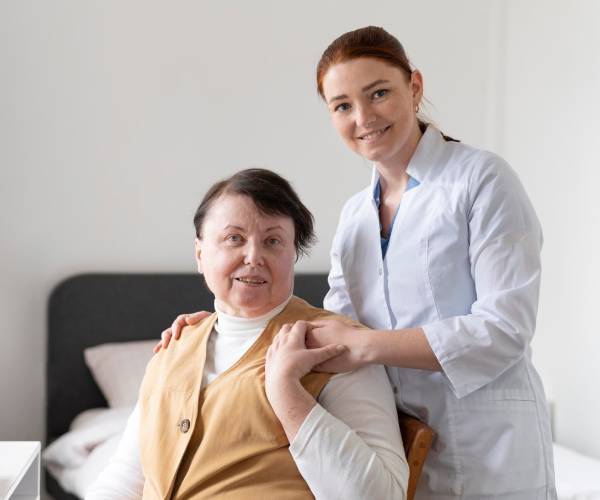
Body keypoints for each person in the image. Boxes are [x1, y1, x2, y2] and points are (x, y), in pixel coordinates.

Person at [159, 27, 557, 499]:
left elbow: (505, 330)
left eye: (379, 93)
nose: (363, 117)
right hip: (396, 445)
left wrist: (368, 347)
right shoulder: (354, 218)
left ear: (414, 87)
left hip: (490, 446)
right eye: (342, 105)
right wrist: (226, 330)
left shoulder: (480, 180)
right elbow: (328, 329)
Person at [86, 168, 409, 500]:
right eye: (234, 238)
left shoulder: (335, 347)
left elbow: (380, 496)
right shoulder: (174, 347)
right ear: (200, 254)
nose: (254, 257)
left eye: (273, 241)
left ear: (291, 256)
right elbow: (126, 477)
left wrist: (287, 394)